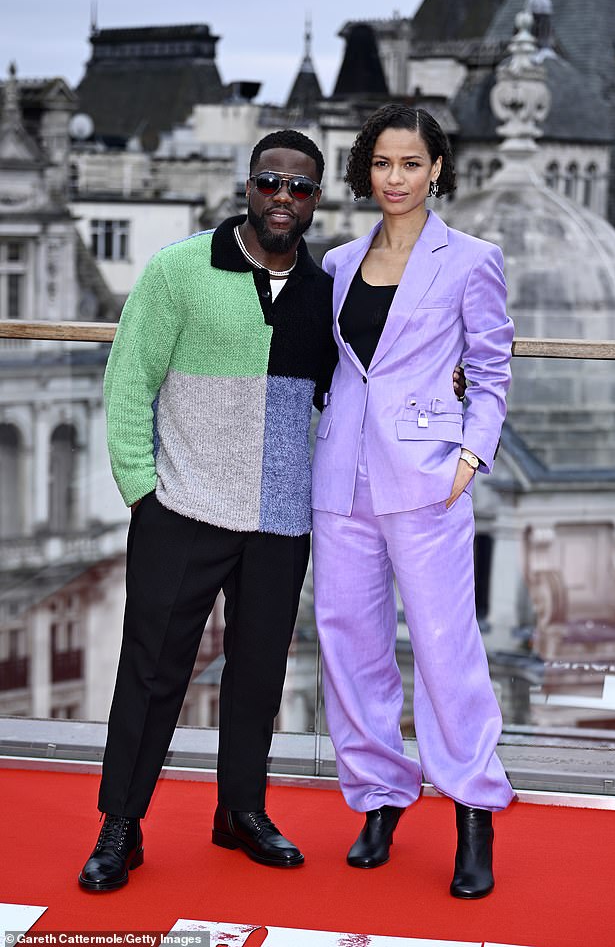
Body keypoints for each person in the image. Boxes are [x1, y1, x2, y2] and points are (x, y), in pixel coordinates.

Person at [78, 130, 337, 891]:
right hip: (181, 509)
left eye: (300, 188)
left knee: (257, 675)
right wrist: (140, 490)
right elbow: (129, 381)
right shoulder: (178, 269)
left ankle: (240, 811)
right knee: (152, 673)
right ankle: (121, 826)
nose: (283, 198)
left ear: (316, 200)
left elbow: (356, 388)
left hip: (278, 521)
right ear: (246, 189)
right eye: (270, 183)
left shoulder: (325, 294)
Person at [311, 104, 515, 899]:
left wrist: (470, 456)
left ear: (437, 169)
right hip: (341, 481)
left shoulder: (470, 259)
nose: (395, 178)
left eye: (410, 163)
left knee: (444, 647)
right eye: (382, 163)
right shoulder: (335, 263)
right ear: (367, 170)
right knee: (349, 645)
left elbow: (492, 369)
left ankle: (472, 808)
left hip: (429, 478)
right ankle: (379, 798)